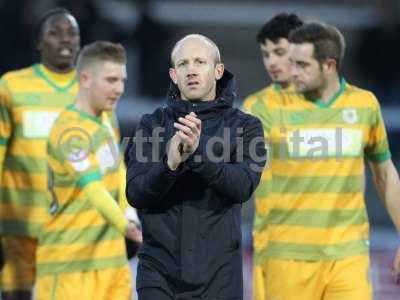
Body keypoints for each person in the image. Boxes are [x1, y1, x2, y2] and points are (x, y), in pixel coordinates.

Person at [254, 21, 400, 300]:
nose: (291, 71)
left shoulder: (364, 105)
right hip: (289, 256)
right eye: (291, 62)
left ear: (329, 65)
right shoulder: (268, 108)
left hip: (348, 256)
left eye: (302, 65)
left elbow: (384, 173)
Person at [126, 34, 266, 300]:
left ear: (218, 70)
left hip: (219, 278)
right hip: (159, 275)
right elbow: (135, 193)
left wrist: (197, 155)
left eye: (200, 62)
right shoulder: (151, 125)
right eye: (183, 64)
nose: (191, 70)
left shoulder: (246, 127)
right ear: (173, 74)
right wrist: (169, 165)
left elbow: (243, 186)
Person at [36, 41, 140, 300]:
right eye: (111, 80)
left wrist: (130, 211)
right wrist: (124, 225)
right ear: (85, 79)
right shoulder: (70, 131)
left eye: (122, 80)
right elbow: (93, 189)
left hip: (111, 265)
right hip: (71, 268)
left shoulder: (106, 118)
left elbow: (118, 169)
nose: (119, 89)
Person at [0, 8, 80, 300]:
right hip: (19, 229)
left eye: (71, 33)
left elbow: (107, 162)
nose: (64, 40)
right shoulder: (11, 87)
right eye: (54, 33)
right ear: (38, 43)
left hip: (69, 232)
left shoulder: (90, 92)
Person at [241, 13, 303, 300]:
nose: (271, 62)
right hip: (275, 245)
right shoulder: (256, 107)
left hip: (331, 248)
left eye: (279, 52)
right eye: (266, 54)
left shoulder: (335, 105)